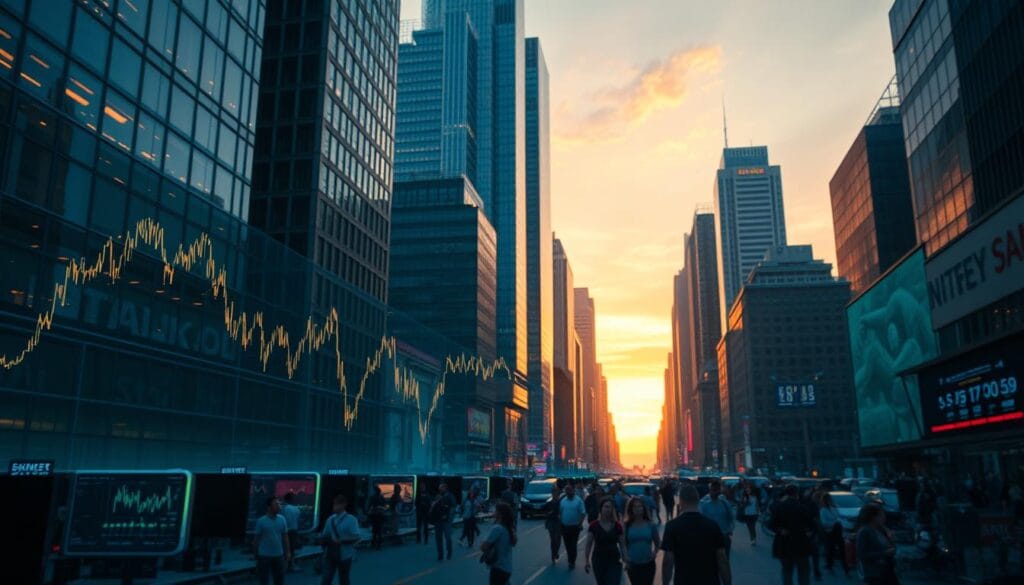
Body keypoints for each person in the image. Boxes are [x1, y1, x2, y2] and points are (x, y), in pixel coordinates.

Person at [660, 484, 731, 585]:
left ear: (681, 501)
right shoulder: (712, 526)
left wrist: (665, 582)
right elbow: (722, 558)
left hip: (683, 581)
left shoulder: (672, 526)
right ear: (698, 501)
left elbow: (668, 560)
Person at [770, 485, 815, 585]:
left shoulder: (780, 506)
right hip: (801, 543)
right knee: (803, 571)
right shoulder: (802, 507)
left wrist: (780, 530)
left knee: (787, 571)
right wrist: (808, 532)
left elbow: (771, 524)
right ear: (797, 494)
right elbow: (812, 525)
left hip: (784, 544)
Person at [584, 497, 627, 585]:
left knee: (613, 582)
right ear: (601, 509)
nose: (608, 509)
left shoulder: (617, 526)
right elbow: (588, 545)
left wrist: (626, 559)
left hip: (614, 560)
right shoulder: (594, 525)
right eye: (606, 507)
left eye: (610, 507)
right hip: (598, 560)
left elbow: (622, 545)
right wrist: (586, 561)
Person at [320, 494, 360, 585]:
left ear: (343, 505)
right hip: (330, 554)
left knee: (344, 579)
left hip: (345, 554)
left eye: (337, 504)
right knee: (326, 579)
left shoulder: (351, 519)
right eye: (334, 504)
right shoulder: (330, 519)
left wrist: (342, 540)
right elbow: (325, 534)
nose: (335, 506)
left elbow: (356, 536)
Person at [856, 504, 899, 585]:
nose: (884, 518)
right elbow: (861, 555)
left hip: (887, 571)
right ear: (873, 517)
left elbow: (891, 547)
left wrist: (892, 539)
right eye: (881, 515)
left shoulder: (881, 530)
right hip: (875, 574)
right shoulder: (864, 532)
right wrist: (884, 553)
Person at [254, 497, 290, 585]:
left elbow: (285, 537)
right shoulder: (261, 521)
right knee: (264, 580)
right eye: (276, 504)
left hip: (279, 555)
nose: (279, 506)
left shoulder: (282, 519)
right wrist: (255, 554)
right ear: (269, 507)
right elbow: (256, 539)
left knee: (279, 580)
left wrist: (288, 552)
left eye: (279, 504)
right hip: (264, 555)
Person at [624, 496, 660, 585]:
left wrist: (655, 552)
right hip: (633, 564)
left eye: (640, 506)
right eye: (635, 507)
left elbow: (658, 542)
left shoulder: (650, 525)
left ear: (643, 508)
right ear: (631, 509)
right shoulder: (626, 525)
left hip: (648, 563)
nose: (638, 509)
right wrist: (626, 559)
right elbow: (623, 544)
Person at [481, 502, 517, 585]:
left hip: (498, 569)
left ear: (500, 514)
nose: (494, 512)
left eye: (496, 511)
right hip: (507, 568)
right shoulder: (509, 528)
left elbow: (483, 547)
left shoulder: (497, 529)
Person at [699, 481, 735, 556]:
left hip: (723, 537)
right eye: (713, 490)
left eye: (716, 490)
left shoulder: (725, 503)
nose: (714, 492)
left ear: (720, 490)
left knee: (724, 561)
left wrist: (729, 530)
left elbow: (731, 518)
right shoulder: (703, 503)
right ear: (710, 490)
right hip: (709, 538)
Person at [559, 483, 587, 569]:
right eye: (566, 490)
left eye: (569, 490)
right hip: (565, 527)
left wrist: (580, 523)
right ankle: (570, 559)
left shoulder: (578, 501)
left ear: (573, 490)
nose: (568, 491)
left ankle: (572, 561)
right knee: (567, 544)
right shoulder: (563, 501)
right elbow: (560, 513)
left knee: (573, 544)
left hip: (575, 527)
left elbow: (583, 513)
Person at [819, 493, 848, 576]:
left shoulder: (834, 508)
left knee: (842, 550)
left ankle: (845, 568)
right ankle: (830, 566)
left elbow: (839, 518)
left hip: (838, 532)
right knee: (830, 550)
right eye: (828, 500)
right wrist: (834, 522)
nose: (830, 501)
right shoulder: (823, 510)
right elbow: (824, 523)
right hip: (830, 532)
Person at [430, 483, 456, 561]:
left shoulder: (450, 496)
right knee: (438, 538)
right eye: (439, 488)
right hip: (438, 520)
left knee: (447, 537)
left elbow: (453, 507)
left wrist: (449, 518)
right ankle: (440, 554)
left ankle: (449, 552)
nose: (440, 489)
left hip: (446, 520)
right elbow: (432, 506)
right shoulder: (437, 497)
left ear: (446, 488)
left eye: (441, 488)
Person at [281, 492, 302, 572]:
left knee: (284, 548)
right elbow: (298, 521)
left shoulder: (282, 509)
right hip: (293, 531)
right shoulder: (297, 509)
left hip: (284, 531)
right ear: (292, 499)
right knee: (291, 549)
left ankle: (284, 565)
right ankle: (291, 565)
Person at [545, 484, 563, 563]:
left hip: (559, 522)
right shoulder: (549, 502)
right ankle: (553, 554)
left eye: (556, 491)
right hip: (551, 522)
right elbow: (546, 513)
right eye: (553, 492)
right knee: (553, 539)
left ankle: (556, 552)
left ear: (558, 493)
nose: (554, 493)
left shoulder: (561, 502)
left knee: (558, 539)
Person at [738, 481, 759, 546]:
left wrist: (758, 513)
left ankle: (753, 539)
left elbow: (757, 505)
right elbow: (741, 506)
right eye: (747, 489)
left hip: (754, 514)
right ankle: (752, 539)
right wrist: (746, 504)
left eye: (749, 489)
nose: (748, 490)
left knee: (752, 527)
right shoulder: (745, 497)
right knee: (750, 528)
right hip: (747, 514)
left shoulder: (755, 497)